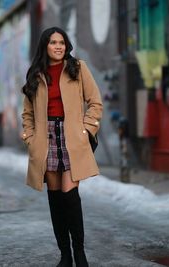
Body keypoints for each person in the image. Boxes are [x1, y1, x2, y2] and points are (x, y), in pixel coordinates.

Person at [21, 27, 103, 267]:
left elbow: (95, 103)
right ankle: (65, 255)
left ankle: (80, 253)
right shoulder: (36, 74)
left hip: (72, 139)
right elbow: (27, 113)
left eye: (62, 42)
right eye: (53, 42)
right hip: (46, 140)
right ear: (45, 46)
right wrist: (31, 139)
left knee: (70, 197)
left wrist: (86, 130)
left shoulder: (78, 68)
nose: (59, 46)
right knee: (55, 200)